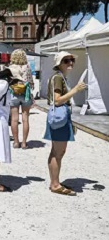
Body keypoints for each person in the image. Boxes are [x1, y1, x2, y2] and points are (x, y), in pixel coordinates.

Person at [45, 51, 86, 196]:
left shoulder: (60, 77)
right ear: (60, 63)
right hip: (60, 117)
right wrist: (75, 90)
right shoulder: (58, 78)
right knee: (58, 152)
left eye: (72, 60)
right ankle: (55, 184)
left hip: (60, 117)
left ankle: (55, 182)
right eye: (67, 60)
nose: (71, 63)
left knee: (56, 151)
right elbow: (57, 100)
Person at [8, 49, 35, 149]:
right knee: (25, 119)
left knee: (14, 119)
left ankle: (16, 142)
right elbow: (31, 82)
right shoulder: (27, 67)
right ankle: (24, 143)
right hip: (25, 94)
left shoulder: (10, 68)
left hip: (14, 93)